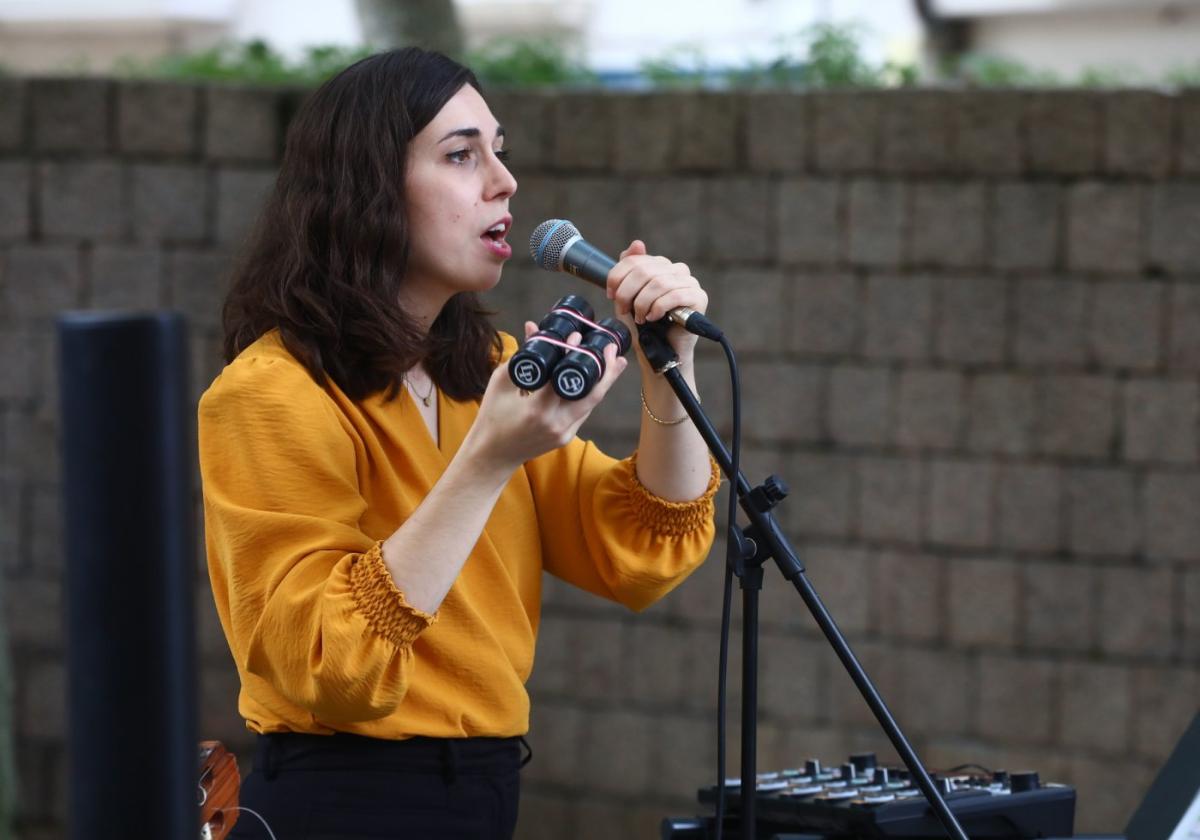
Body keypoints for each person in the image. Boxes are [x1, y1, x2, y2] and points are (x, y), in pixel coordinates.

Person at [198, 47, 719, 840]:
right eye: (460, 155)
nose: (503, 182)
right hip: (343, 798)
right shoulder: (269, 392)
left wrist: (668, 367)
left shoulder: (484, 372)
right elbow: (327, 663)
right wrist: (487, 460)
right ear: (366, 188)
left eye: (498, 152)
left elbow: (640, 550)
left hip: (483, 788)